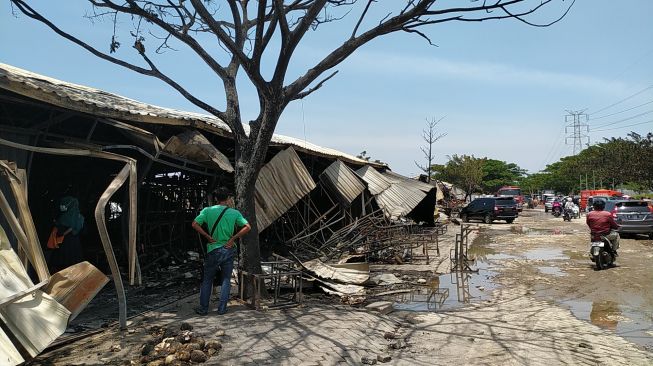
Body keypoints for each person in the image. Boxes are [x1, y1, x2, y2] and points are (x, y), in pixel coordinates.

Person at [191, 189, 251, 315]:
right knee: (226, 279)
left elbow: (195, 224)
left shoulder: (207, 211)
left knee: (207, 280)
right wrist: (233, 238)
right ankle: (222, 308)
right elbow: (247, 227)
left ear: (216, 199)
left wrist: (207, 236)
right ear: (228, 198)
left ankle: (203, 309)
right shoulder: (234, 213)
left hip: (213, 249)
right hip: (228, 249)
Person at [50, 196, 85, 272]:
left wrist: (63, 234)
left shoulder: (67, 216)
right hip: (74, 241)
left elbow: (72, 227)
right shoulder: (79, 216)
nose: (61, 206)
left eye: (64, 204)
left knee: (64, 259)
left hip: (65, 240)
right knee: (72, 259)